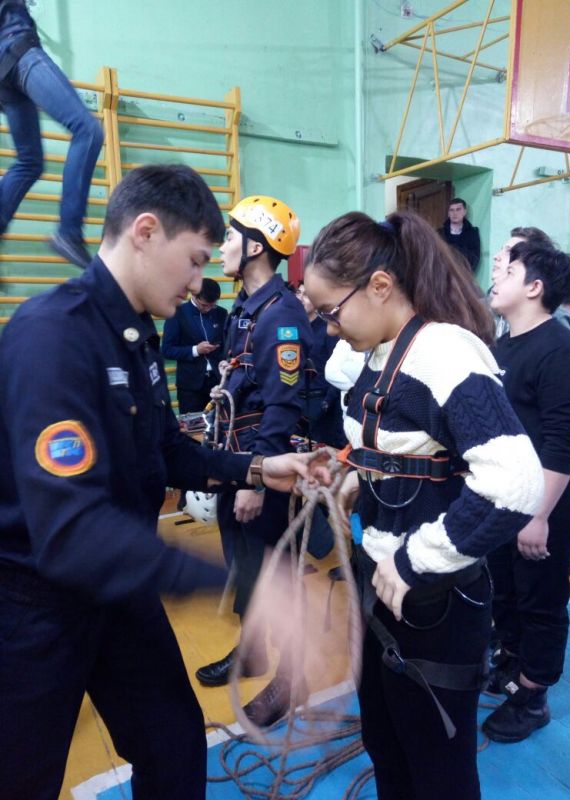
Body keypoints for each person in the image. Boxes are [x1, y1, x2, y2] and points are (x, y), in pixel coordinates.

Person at [0, 165, 328, 800]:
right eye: (195, 259)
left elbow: (166, 449)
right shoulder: (53, 337)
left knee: (174, 745)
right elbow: (72, 532)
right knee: (23, 776)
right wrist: (222, 580)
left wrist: (257, 468)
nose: (200, 281)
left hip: (119, 585)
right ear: (146, 232)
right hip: (38, 603)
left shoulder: (135, 333)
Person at [302, 211, 544, 800]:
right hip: (381, 589)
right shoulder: (376, 354)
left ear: (380, 287)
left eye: (332, 312)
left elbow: (514, 481)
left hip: (435, 601)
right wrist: (354, 474)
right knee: (387, 745)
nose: (329, 328)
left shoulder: (444, 353)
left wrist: (417, 560)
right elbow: (410, 453)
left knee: (438, 771)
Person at [195, 195, 313, 727]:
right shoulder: (246, 307)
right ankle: (254, 651)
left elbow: (283, 405)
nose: (221, 247)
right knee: (244, 564)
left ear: (257, 248)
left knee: (276, 571)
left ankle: (292, 676)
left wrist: (257, 481)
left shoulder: (281, 314)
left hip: (264, 467)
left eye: (229, 237)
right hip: (237, 459)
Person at [483, 243, 570, 743]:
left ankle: (533, 695)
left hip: (552, 500)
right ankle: (512, 662)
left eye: (508, 271)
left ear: (534, 287)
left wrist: (538, 515)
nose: (496, 278)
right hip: (508, 495)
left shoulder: (562, 352)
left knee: (540, 597)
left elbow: (566, 443)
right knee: (504, 590)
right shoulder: (503, 347)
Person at [0, 0, 104, 268]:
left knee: (29, 161)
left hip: (4, 72)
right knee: (88, 130)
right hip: (19, 50)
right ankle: (69, 232)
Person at [490, 226, 570, 337]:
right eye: (501, 249)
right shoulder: (481, 306)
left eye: (509, 251)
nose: (496, 256)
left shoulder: (553, 319)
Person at [161, 277, 227, 414]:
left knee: (220, 423)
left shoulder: (221, 313)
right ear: (193, 295)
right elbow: (167, 350)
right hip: (190, 385)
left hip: (218, 380)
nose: (208, 309)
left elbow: (227, 344)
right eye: (204, 305)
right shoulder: (177, 313)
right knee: (192, 424)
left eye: (212, 305)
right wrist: (195, 350)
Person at [296, 280, 345, 448]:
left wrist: (326, 403)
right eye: (299, 293)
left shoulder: (327, 329)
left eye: (306, 295)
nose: (301, 298)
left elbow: (338, 368)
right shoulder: (291, 328)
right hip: (296, 400)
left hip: (321, 401)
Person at [437, 197, 480, 272]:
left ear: (464, 212)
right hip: (442, 274)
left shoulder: (472, 233)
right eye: (452, 210)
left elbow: (475, 258)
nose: (455, 213)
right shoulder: (439, 233)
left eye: (458, 209)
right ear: (448, 213)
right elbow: (435, 256)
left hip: (464, 274)